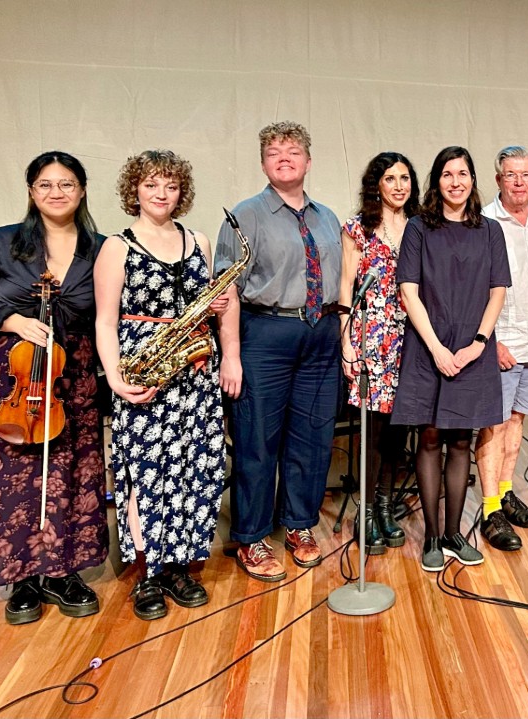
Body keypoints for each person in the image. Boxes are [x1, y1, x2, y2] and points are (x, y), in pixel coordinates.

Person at [0, 151, 108, 625]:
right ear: (30, 191)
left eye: (66, 184)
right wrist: (13, 319)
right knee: (15, 473)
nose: (56, 193)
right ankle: (21, 577)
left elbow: (112, 313)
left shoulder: (101, 248)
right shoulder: (3, 243)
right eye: (45, 184)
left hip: (74, 373)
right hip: (18, 373)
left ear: (81, 190)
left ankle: (64, 571)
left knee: (76, 468)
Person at [94, 150, 228, 620]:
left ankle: (178, 566)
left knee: (195, 467)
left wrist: (217, 309)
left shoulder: (199, 241)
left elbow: (209, 305)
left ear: (181, 192)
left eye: (170, 186)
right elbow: (106, 322)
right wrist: (115, 378)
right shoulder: (117, 246)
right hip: (144, 370)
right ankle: (149, 572)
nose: (161, 194)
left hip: (194, 372)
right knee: (146, 470)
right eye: (151, 184)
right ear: (135, 189)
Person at [216, 122, 343, 581]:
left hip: (321, 335)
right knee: (256, 441)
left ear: (308, 161)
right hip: (265, 335)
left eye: (293, 151)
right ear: (263, 163)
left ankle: (299, 526)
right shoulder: (245, 216)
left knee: (311, 439)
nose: (284, 157)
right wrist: (231, 355)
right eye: (274, 152)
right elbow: (225, 290)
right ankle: (251, 536)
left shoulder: (328, 218)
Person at [392, 146, 510, 571]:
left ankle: (455, 534)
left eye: (463, 173)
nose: (455, 181)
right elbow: (409, 291)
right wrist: (438, 349)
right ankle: (431, 539)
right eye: (447, 174)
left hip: (473, 348)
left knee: (462, 440)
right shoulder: (419, 228)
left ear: (473, 180)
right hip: (429, 348)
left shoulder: (491, 231)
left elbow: (498, 291)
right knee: (429, 437)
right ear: (436, 181)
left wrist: (479, 343)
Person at [337, 151, 420, 554]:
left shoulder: (422, 228)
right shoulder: (357, 228)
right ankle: (365, 513)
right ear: (377, 184)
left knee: (399, 431)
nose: (399, 185)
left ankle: (386, 508)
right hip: (373, 336)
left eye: (405, 178)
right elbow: (344, 290)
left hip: (413, 337)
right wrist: (347, 342)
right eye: (391, 178)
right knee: (373, 430)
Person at [474, 146, 528, 552]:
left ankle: (505, 493)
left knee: (517, 425)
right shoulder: (484, 222)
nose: (518, 182)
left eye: (526, 174)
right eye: (510, 174)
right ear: (499, 178)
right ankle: (489, 510)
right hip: (501, 343)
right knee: (493, 426)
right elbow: (472, 289)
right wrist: (493, 341)